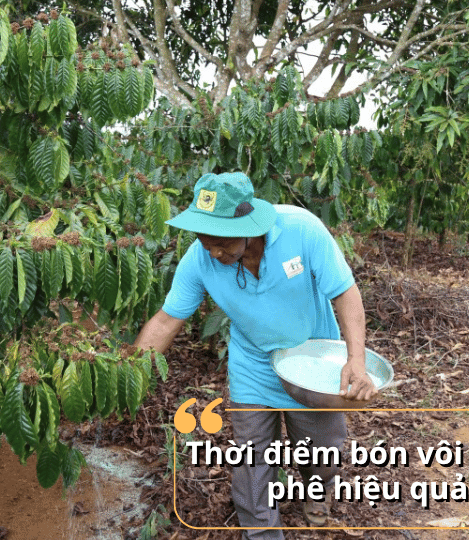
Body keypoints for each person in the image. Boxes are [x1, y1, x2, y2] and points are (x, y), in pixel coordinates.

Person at [133, 172, 375, 538]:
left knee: (322, 450)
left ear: (248, 224)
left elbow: (345, 293)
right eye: (203, 240)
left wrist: (355, 359)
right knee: (252, 462)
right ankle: (262, 533)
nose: (212, 251)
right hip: (255, 367)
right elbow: (167, 321)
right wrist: (132, 374)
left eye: (220, 242)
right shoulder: (200, 259)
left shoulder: (302, 231)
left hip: (313, 362)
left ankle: (317, 489)